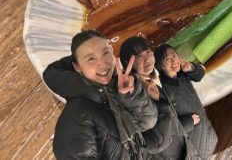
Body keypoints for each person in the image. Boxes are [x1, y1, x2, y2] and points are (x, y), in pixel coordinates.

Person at [43, 30, 169, 159]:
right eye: (91, 59)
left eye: (106, 53)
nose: (103, 63)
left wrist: (131, 95)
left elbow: (147, 123)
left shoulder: (113, 92)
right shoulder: (77, 113)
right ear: (77, 67)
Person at [120, 36, 197, 159]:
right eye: (139, 56)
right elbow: (154, 143)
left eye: (148, 52)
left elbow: (172, 122)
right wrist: (161, 104)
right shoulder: (133, 93)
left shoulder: (151, 83)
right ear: (127, 62)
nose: (147, 59)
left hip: (185, 152)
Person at [155, 44, 218, 160]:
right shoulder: (163, 91)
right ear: (160, 66)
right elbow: (168, 128)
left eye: (174, 55)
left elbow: (200, 74)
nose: (173, 60)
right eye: (167, 59)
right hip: (193, 147)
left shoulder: (182, 75)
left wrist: (191, 68)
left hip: (207, 135)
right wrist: (189, 121)